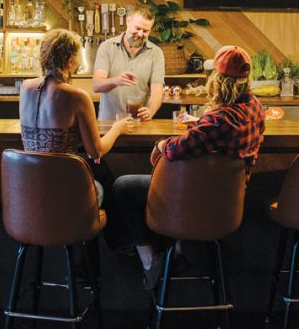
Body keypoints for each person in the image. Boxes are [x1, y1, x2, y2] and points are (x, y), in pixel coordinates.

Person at [108, 45, 266, 289]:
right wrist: (200, 123)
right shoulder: (255, 108)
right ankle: (179, 252)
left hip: (195, 197)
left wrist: (161, 143)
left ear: (218, 80)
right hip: (229, 202)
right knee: (187, 174)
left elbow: (175, 150)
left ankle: (149, 261)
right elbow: (218, 134)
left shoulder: (218, 120)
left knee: (122, 186)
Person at [20, 29, 135, 204]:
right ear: (71, 60)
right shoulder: (77, 96)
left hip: (30, 183)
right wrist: (117, 128)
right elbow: (96, 151)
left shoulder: (26, 87)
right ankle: (104, 229)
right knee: (105, 176)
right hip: (64, 185)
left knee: (100, 170)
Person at [92, 4, 165, 123]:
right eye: (137, 28)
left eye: (146, 31)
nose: (141, 34)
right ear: (128, 21)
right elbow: (97, 85)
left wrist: (150, 111)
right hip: (109, 123)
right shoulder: (107, 47)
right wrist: (116, 81)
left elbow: (157, 90)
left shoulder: (156, 53)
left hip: (139, 123)